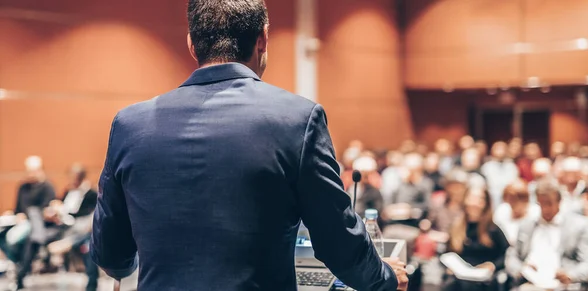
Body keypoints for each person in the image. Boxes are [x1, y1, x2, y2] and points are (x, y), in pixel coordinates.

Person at [90, 1, 408, 291]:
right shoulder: (298, 119)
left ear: (191, 43)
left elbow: (110, 253)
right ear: (263, 39)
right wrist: (385, 277)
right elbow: (338, 242)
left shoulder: (129, 124)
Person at [505, 179, 588, 289]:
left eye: (549, 203)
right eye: (541, 203)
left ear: (559, 201)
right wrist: (520, 269)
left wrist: (571, 275)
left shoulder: (580, 225)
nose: (545, 209)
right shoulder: (526, 225)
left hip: (565, 285)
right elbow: (512, 255)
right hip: (529, 283)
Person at [0, 156, 56, 290]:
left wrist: (28, 216)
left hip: (38, 225)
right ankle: (15, 262)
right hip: (19, 221)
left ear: (40, 170)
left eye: (33, 171)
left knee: (18, 239)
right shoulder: (23, 187)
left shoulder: (47, 187)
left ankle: (19, 269)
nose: (30, 174)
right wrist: (13, 214)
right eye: (28, 171)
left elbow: (47, 210)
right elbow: (18, 208)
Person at [442, 187, 510, 291]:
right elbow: (447, 253)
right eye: (472, 198)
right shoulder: (456, 227)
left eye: (480, 199)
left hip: (484, 280)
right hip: (458, 279)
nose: (475, 203)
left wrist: (493, 265)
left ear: (486, 203)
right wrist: (449, 268)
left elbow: (506, 254)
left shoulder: (493, 229)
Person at [493, 179, 540, 245]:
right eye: (509, 200)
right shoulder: (502, 209)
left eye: (515, 200)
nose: (511, 204)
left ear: (525, 200)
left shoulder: (536, 212)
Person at [481, 141, 519, 208]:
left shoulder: (512, 166)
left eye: (502, 149)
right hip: (492, 197)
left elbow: (513, 183)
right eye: (497, 149)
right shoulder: (486, 167)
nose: (500, 151)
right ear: (492, 151)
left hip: (508, 197)